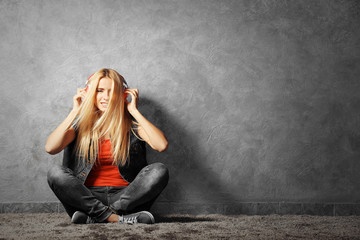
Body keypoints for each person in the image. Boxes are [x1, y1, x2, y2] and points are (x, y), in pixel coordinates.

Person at [45, 68, 169, 224]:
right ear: (90, 93)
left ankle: (100, 217)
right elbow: (50, 148)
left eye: (112, 91)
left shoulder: (131, 127)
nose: (106, 97)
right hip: (86, 198)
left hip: (126, 198)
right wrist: (75, 112)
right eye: (100, 91)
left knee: (159, 170)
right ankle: (117, 219)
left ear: (122, 95)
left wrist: (134, 111)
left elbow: (161, 145)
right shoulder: (79, 128)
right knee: (55, 172)